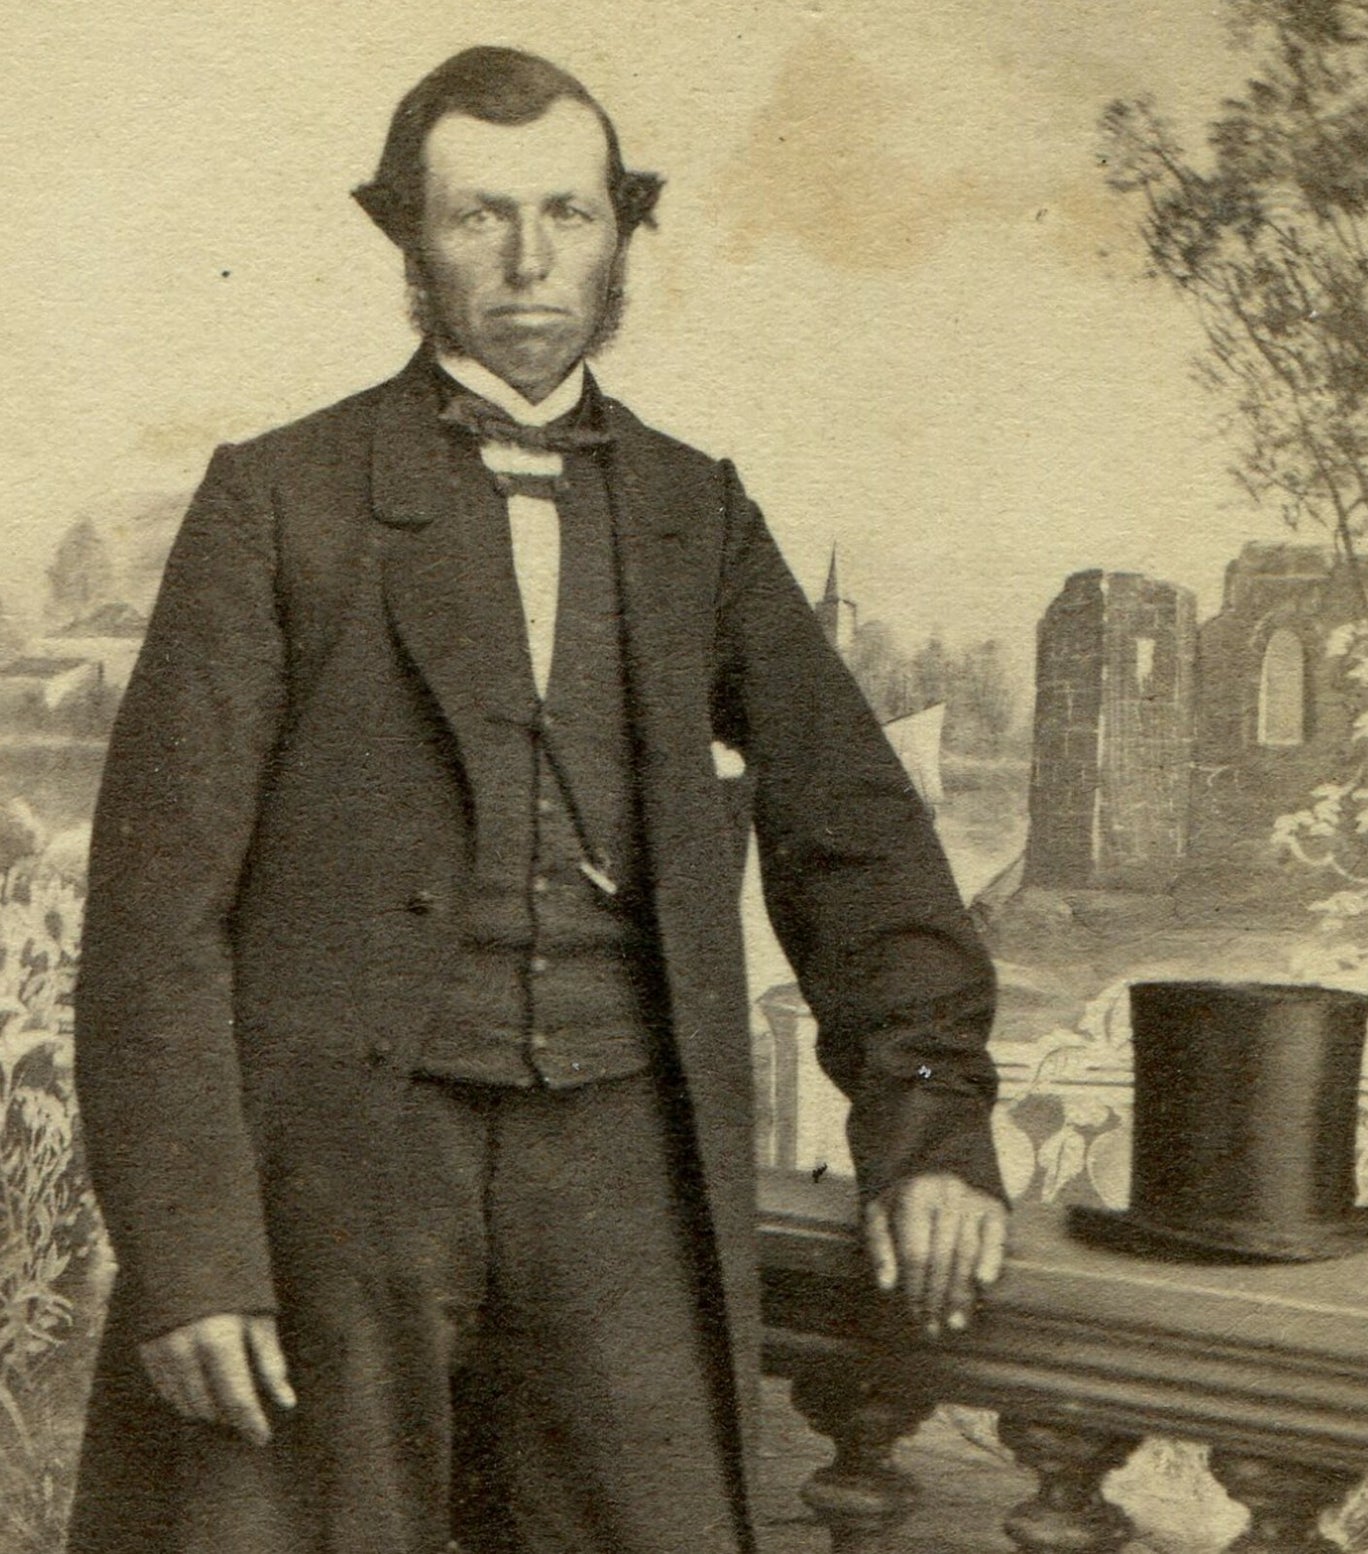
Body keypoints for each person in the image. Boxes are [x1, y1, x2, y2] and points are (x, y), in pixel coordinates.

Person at [67, 46, 1008, 1554]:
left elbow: (856, 836)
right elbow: (153, 918)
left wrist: (933, 1127)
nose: (526, 261)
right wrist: (190, 1256)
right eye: (477, 217)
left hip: (620, 1170)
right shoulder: (276, 499)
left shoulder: (694, 508)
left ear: (621, 231)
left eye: (568, 214)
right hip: (348, 1172)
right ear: (407, 239)